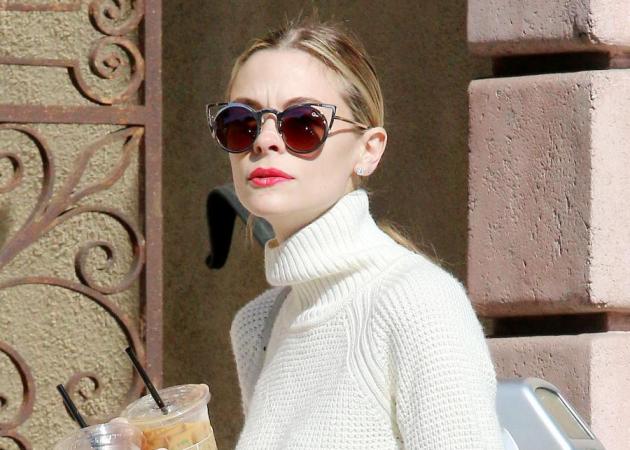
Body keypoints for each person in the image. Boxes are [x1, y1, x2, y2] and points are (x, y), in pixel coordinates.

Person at [206, 17, 505, 450]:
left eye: (302, 123)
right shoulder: (258, 326)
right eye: (241, 122)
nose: (264, 141)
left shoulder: (416, 302)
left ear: (368, 149)